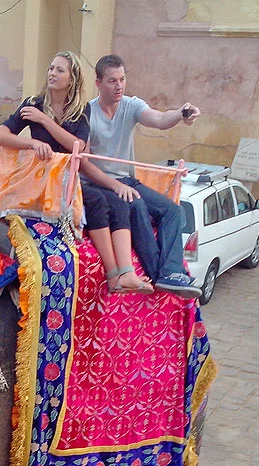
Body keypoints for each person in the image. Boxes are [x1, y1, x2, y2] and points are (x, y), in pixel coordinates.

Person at [0, 51, 151, 294]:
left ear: (72, 78)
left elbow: (79, 146)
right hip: (40, 179)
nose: (52, 74)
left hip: (68, 179)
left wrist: (45, 122)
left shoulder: (80, 111)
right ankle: (112, 272)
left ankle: (122, 274)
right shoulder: (33, 104)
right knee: (96, 199)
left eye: (60, 70)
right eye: (51, 68)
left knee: (117, 202)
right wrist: (31, 143)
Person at [82, 54, 202, 298]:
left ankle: (170, 272)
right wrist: (115, 186)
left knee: (173, 210)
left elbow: (158, 119)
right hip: (99, 183)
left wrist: (180, 113)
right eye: (112, 81)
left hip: (128, 180)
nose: (119, 86)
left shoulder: (131, 104)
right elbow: (83, 164)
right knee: (134, 204)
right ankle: (157, 274)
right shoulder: (87, 113)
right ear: (98, 83)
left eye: (122, 80)